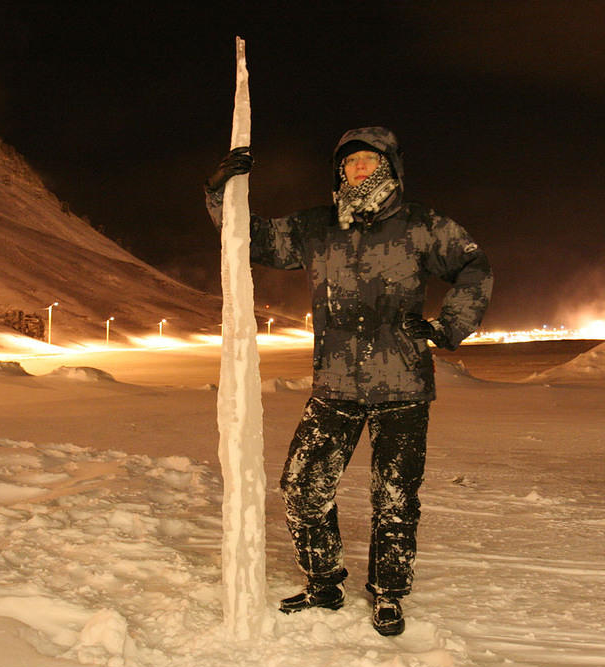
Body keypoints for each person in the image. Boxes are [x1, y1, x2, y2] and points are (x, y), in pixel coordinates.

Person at [204, 127, 492, 636]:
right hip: (336, 383)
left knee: (395, 497)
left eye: (369, 161)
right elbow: (252, 240)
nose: (359, 169)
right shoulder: (319, 226)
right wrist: (221, 192)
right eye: (350, 162)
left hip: (402, 385)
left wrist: (447, 328)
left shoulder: (420, 224)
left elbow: (474, 265)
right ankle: (324, 583)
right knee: (302, 487)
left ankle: (388, 593)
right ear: (340, 171)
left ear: (390, 168)